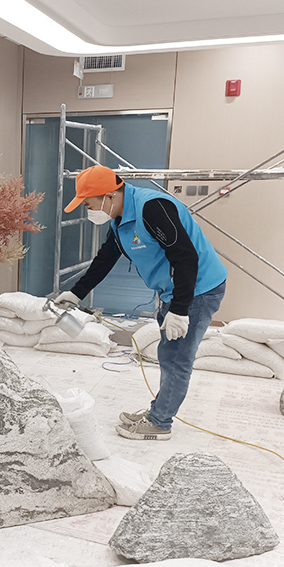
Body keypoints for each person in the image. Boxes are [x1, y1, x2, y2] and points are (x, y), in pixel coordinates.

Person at [54, 165, 227, 441]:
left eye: (88, 204)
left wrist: (180, 309)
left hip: (199, 289)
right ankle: (159, 411)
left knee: (177, 358)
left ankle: (160, 423)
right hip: (173, 290)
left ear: (109, 196)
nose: (88, 211)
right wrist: (76, 293)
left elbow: (186, 257)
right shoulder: (120, 218)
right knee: (168, 354)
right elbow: (105, 258)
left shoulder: (152, 209)